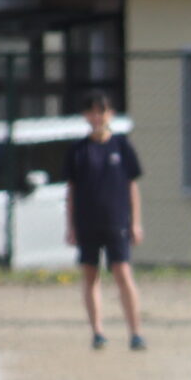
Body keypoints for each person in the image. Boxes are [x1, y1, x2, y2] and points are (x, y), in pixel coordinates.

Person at [64, 91, 146, 350]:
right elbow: (71, 192)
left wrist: (135, 222)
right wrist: (71, 226)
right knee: (90, 275)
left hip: (117, 221)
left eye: (102, 111)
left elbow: (132, 187)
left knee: (123, 273)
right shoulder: (79, 150)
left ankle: (135, 332)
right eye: (92, 111)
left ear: (111, 114)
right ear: (85, 116)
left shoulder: (121, 145)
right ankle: (98, 332)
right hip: (87, 222)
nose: (97, 116)